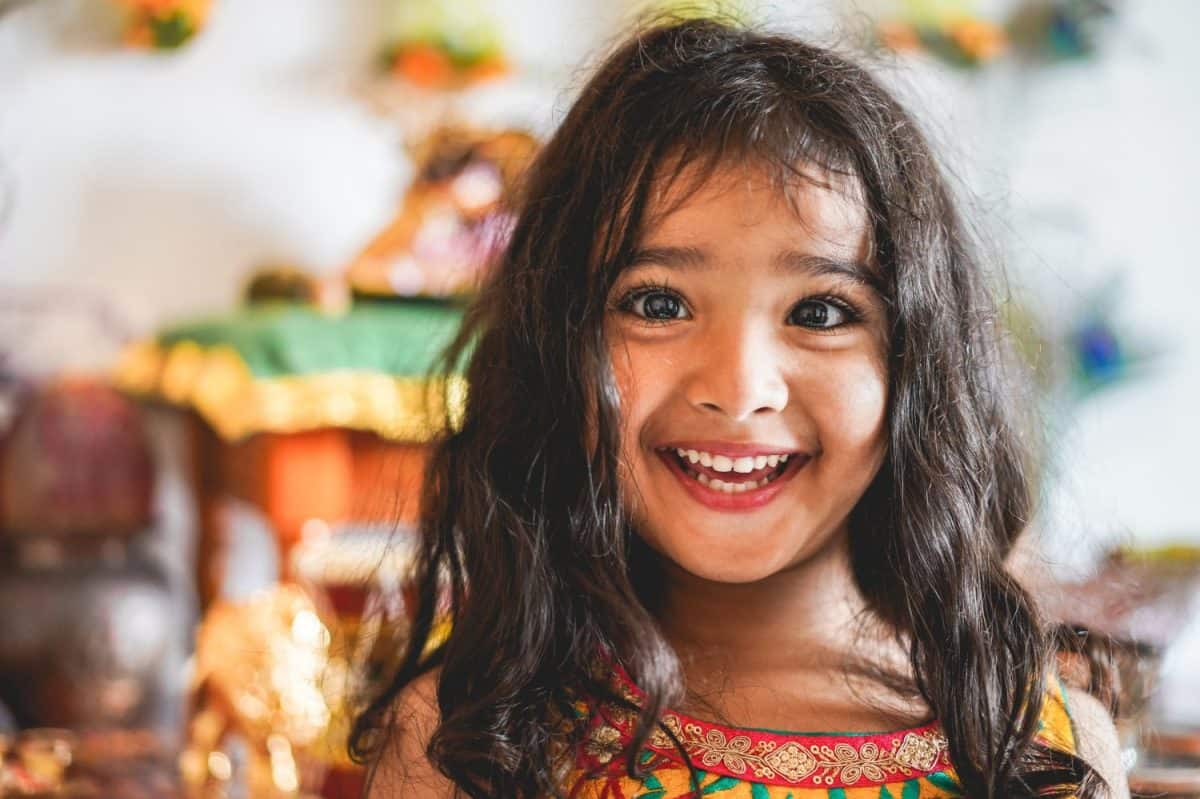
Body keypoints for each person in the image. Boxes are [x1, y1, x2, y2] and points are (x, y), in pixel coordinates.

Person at [350, 16, 1128, 799]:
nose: (739, 385)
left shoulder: (1035, 745)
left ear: (916, 363)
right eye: (657, 303)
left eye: (820, 312)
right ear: (555, 349)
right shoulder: (465, 742)